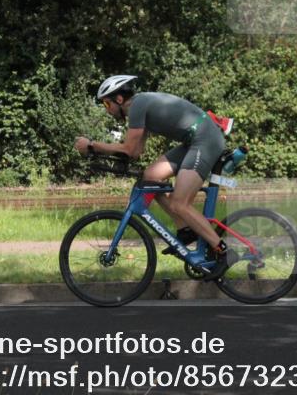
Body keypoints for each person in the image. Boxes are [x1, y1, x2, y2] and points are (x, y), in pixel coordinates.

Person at [74, 75, 231, 277]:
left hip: (205, 140)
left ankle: (222, 251)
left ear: (119, 99)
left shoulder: (138, 106)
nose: (107, 109)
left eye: (106, 103)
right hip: (194, 141)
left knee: (180, 202)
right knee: (150, 178)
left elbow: (129, 149)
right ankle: (185, 230)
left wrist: (92, 145)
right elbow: (136, 151)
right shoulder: (139, 108)